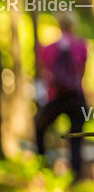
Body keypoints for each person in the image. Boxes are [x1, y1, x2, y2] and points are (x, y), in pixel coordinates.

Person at [35, 12, 89, 179]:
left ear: (59, 25)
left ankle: (42, 164)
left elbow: (45, 70)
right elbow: (81, 71)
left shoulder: (48, 47)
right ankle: (76, 174)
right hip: (76, 96)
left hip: (56, 96)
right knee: (77, 135)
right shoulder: (81, 45)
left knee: (39, 125)